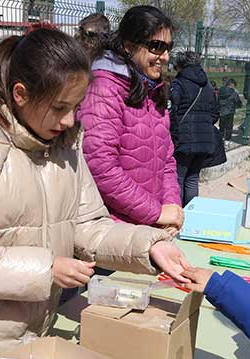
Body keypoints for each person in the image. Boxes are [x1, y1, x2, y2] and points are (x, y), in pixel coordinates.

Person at [0, 26, 191, 354]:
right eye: (59, 108)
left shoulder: (64, 147)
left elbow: (89, 227)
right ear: (20, 94)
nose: (70, 120)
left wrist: (149, 246)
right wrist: (47, 269)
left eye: (76, 107)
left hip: (32, 333)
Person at [78, 5, 184, 236]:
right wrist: (155, 212)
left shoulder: (152, 90)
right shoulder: (104, 87)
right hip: (113, 232)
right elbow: (100, 165)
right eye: (156, 47)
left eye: (168, 48)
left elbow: (166, 160)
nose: (164, 57)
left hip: (149, 227)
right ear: (128, 46)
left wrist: (172, 208)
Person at [169, 51, 220, 206]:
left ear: (180, 65)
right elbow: (215, 114)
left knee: (178, 178)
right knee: (192, 178)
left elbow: (172, 109)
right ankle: (190, 215)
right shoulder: (208, 85)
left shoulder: (179, 83)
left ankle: (177, 215)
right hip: (205, 140)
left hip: (184, 138)